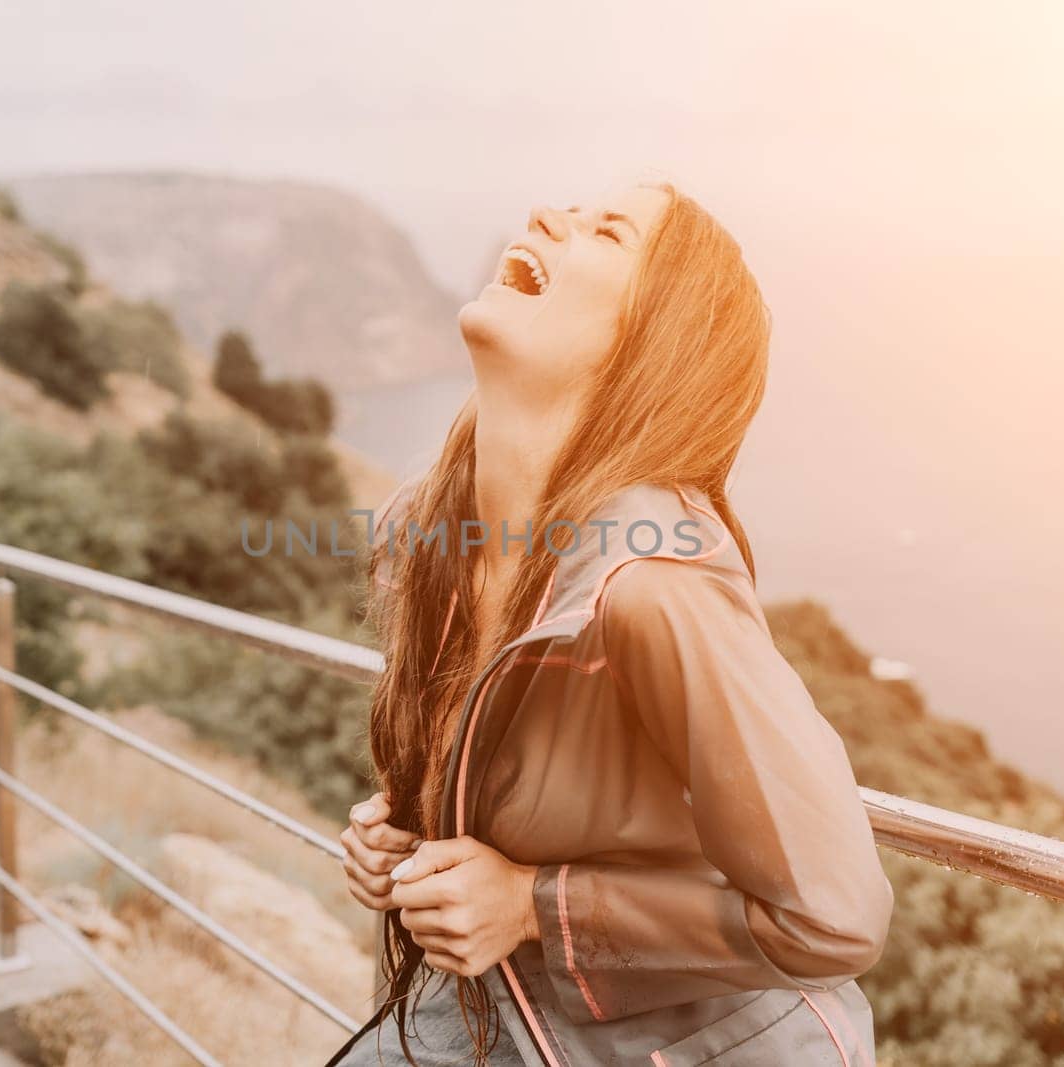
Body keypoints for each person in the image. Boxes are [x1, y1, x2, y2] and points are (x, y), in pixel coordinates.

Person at [326, 182, 893, 1066]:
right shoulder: (435, 539)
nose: (547, 215)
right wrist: (402, 834)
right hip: (499, 1019)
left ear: (651, 343)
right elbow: (522, 792)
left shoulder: (654, 575)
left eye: (607, 230)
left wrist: (526, 904)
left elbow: (833, 912)